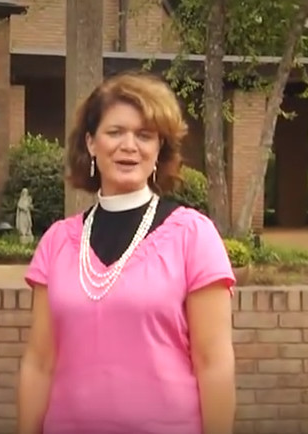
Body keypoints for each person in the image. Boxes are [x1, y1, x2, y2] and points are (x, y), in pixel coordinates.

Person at [17, 71, 237, 434]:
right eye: (115, 132)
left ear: (159, 148)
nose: (129, 145)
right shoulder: (57, 242)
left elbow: (213, 362)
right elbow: (39, 363)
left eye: (144, 135)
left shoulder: (193, 236)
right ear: (91, 143)